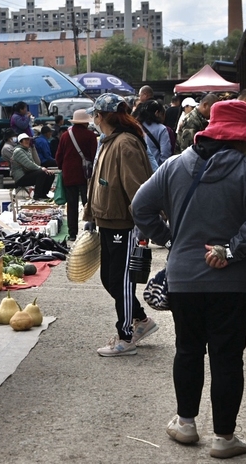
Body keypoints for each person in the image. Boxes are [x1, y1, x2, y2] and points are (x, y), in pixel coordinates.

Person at [131, 99, 246, 459]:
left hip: (184, 280)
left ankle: (185, 424)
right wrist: (232, 250)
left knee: (188, 349)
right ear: (242, 139)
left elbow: (139, 207)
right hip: (233, 284)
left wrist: (168, 237)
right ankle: (224, 439)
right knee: (228, 357)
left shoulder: (173, 166)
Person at [81, 93, 157, 357]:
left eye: (94, 115)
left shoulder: (125, 144)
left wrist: (143, 225)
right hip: (107, 222)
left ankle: (125, 337)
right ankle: (142, 321)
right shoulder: (108, 142)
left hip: (124, 225)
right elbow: (96, 184)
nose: (93, 119)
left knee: (122, 280)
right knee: (109, 279)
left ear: (101, 116)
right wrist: (90, 216)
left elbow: (139, 189)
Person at [55, 108, 98, 241]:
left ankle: (72, 233)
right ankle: (91, 229)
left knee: (72, 205)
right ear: (85, 122)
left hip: (69, 174)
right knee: (88, 203)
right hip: (86, 175)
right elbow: (94, 156)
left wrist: (62, 167)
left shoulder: (65, 136)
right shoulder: (91, 136)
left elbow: (58, 156)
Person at [10, 133, 56, 200]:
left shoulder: (27, 150)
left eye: (28, 140)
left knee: (50, 174)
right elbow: (29, 164)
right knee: (42, 173)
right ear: (20, 142)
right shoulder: (18, 151)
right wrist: (42, 168)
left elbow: (35, 162)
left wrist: (44, 169)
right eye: (25, 140)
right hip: (20, 177)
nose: (27, 141)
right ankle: (37, 195)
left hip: (27, 174)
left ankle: (43, 194)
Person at [135, 99, 173, 166]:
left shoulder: (136, 126)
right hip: (156, 170)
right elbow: (165, 154)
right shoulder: (162, 129)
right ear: (157, 113)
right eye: (163, 114)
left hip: (139, 168)